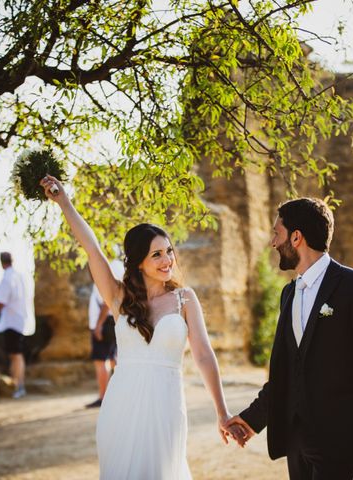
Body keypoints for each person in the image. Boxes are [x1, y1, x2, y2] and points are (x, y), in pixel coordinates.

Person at [40, 174, 240, 479]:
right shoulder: (119, 297)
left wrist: (222, 412)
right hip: (121, 403)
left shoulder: (185, 298)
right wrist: (64, 202)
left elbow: (203, 355)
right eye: (156, 254)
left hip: (166, 404)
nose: (167, 260)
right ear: (138, 262)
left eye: (169, 251)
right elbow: (92, 248)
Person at [226, 198, 353, 479]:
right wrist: (251, 421)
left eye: (276, 234)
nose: (273, 243)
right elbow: (287, 370)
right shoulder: (288, 294)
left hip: (340, 439)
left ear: (296, 237)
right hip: (296, 440)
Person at [0, 252, 34, 399]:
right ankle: (17, 385)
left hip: (12, 321)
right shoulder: (22, 276)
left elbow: (1, 302)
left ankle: (19, 386)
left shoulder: (7, 278)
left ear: (1, 262)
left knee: (16, 355)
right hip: (22, 320)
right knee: (15, 355)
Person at [86, 259, 124, 408]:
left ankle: (103, 397)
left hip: (104, 322)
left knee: (101, 360)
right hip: (111, 321)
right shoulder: (118, 265)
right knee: (114, 358)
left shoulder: (108, 266)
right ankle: (118, 395)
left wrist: (98, 325)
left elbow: (106, 301)